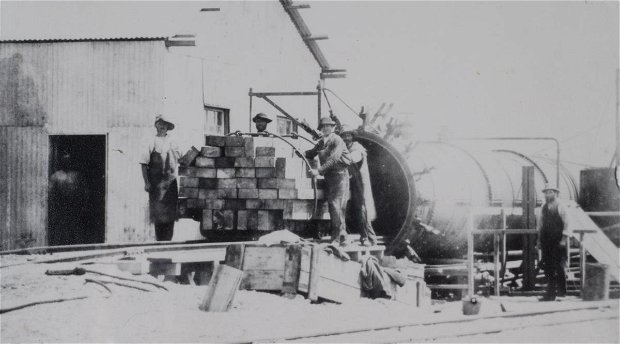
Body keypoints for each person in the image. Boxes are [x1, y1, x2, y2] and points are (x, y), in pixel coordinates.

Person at [305, 117, 351, 246]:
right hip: (329, 177)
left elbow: (334, 159)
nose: (325, 128)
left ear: (332, 128)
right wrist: (300, 152)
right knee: (335, 206)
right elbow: (311, 153)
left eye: (328, 126)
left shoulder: (337, 140)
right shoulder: (321, 142)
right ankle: (343, 237)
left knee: (335, 205)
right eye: (323, 126)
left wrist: (318, 171)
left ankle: (336, 239)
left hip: (340, 176)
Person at [140, 115, 181, 241]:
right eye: (160, 123)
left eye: (165, 124)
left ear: (168, 127)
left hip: (171, 185)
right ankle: (160, 243)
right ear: (156, 125)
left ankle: (168, 243)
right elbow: (143, 163)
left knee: (170, 216)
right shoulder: (150, 141)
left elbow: (183, 158)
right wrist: (146, 182)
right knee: (158, 216)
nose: (162, 126)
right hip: (156, 185)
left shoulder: (174, 141)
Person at [341, 127, 378, 246]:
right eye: (344, 136)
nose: (346, 138)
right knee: (344, 208)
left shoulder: (357, 148)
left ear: (352, 136)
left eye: (348, 135)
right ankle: (345, 236)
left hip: (357, 182)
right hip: (346, 181)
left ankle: (367, 237)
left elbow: (353, 158)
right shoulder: (343, 148)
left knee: (360, 208)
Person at [536, 184, 570, 301]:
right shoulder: (543, 207)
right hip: (546, 240)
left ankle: (561, 291)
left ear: (555, 193)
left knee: (559, 265)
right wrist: (539, 240)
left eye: (550, 192)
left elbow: (567, 223)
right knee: (548, 266)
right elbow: (540, 225)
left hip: (558, 240)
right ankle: (551, 293)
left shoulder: (561, 206)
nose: (548, 194)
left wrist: (564, 239)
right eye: (546, 192)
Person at [49, 151, 88, 245]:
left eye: (68, 160)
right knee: (61, 230)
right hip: (61, 207)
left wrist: (84, 205)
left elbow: (85, 191)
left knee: (76, 229)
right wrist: (53, 208)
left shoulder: (77, 175)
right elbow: (50, 193)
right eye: (64, 160)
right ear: (61, 161)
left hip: (75, 206)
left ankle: (79, 248)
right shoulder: (56, 176)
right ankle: (58, 248)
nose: (66, 162)